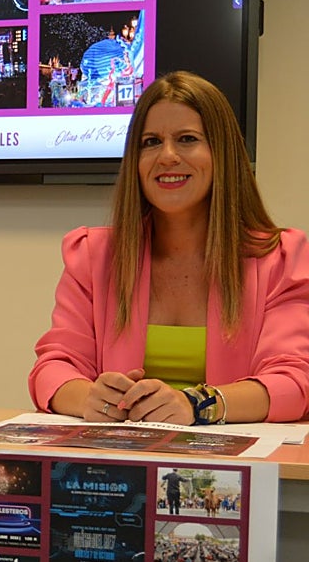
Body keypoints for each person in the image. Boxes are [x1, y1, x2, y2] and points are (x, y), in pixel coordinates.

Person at [29, 71, 309, 425]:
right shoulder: (93, 255)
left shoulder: (280, 257)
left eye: (187, 139)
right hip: (120, 463)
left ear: (222, 153)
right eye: (151, 142)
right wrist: (90, 398)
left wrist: (197, 405)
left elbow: (294, 381)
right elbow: (54, 367)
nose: (167, 156)